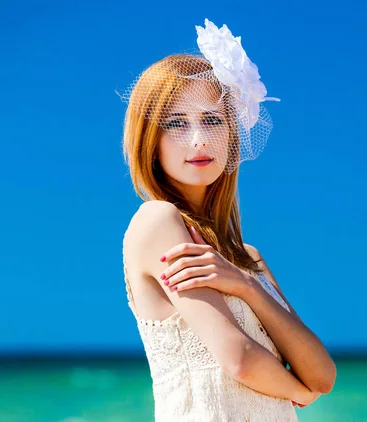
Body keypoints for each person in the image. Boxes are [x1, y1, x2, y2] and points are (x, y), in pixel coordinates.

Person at [120, 19, 336, 421]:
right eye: (176, 123)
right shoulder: (158, 221)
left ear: (232, 136)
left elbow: (323, 374)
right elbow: (237, 357)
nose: (199, 138)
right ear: (150, 141)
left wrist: (247, 285)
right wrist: (298, 393)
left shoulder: (246, 258)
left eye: (213, 120)